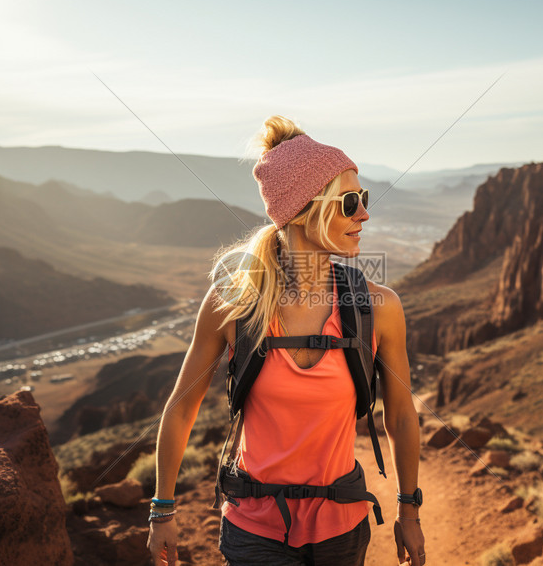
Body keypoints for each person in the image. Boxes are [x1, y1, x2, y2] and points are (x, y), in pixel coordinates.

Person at [147, 115, 425, 565]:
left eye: (364, 198)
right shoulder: (231, 304)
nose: (365, 213)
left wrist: (408, 512)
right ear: (302, 211)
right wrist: (161, 510)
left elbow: (400, 415)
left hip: (343, 527)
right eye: (349, 201)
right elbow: (181, 410)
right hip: (252, 529)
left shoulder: (380, 307)